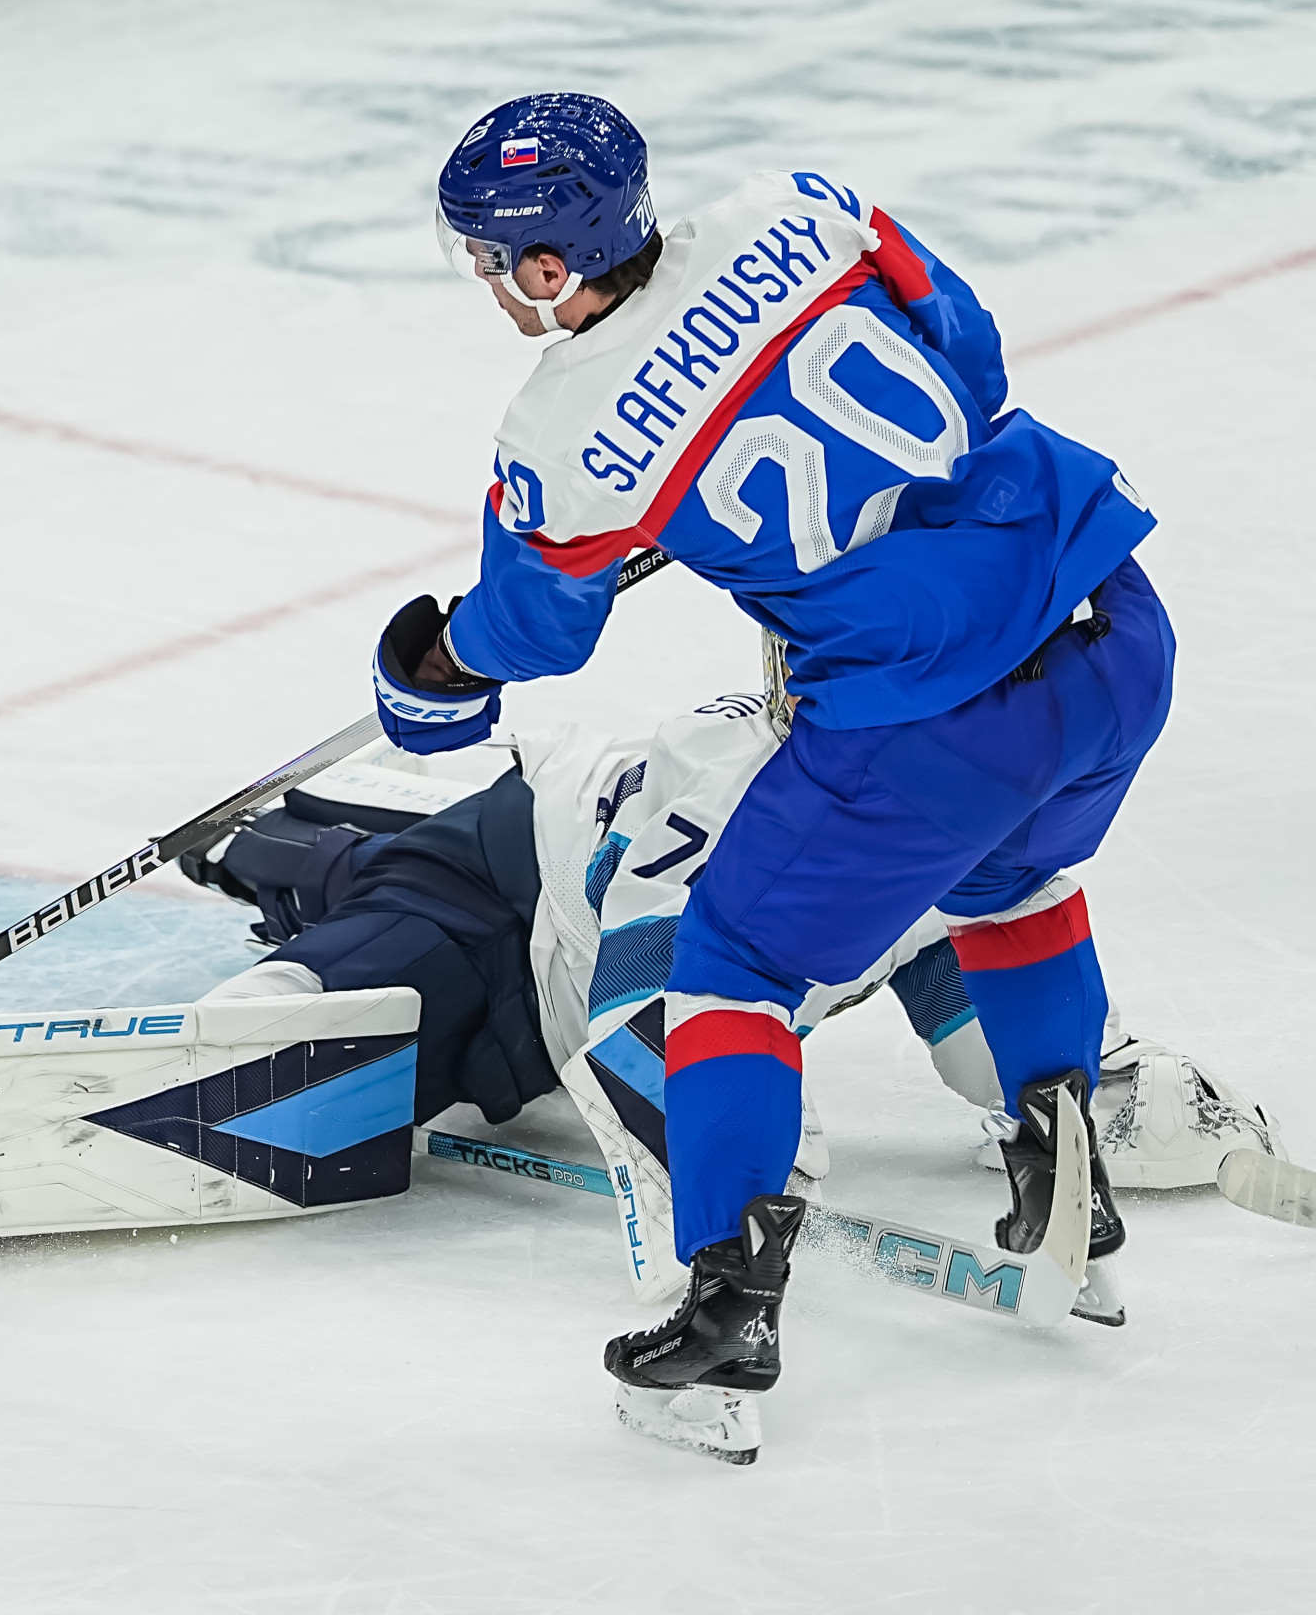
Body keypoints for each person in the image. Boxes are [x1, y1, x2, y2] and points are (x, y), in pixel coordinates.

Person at [380, 92, 1174, 1451]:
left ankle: (730, 1298)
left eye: (488, 258)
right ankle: (1065, 1173)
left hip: (931, 725)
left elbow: (536, 630)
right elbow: (968, 358)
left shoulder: (562, 429)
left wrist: (437, 665)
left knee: (731, 969)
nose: (486, 284)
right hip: (1110, 628)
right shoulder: (796, 211)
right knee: (1010, 880)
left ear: (549, 263)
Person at [0, 692, 1271, 1312]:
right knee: (327, 1052)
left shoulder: (943, 838)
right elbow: (635, 1045)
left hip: (552, 893)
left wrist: (1126, 1110)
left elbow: (995, 1046)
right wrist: (732, 1183)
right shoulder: (757, 814)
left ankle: (291, 850)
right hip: (495, 902)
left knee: (353, 918)